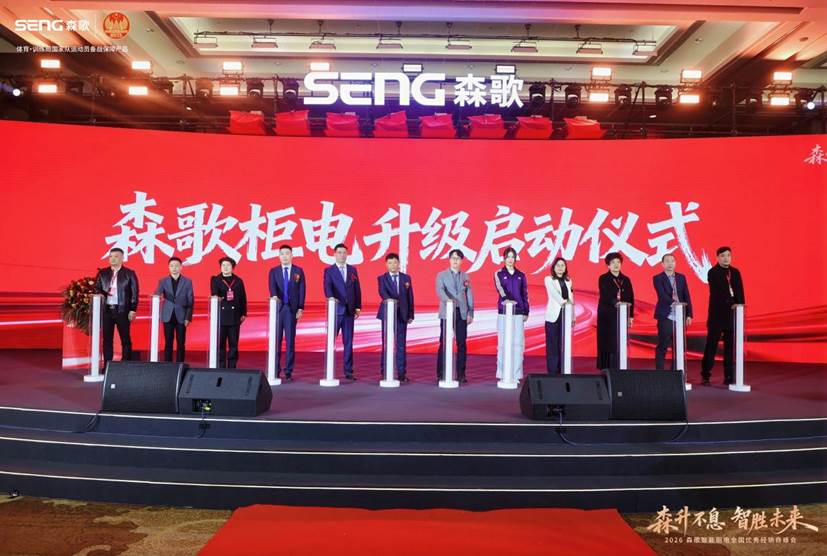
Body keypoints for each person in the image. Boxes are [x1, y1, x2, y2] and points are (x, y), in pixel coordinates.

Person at [701, 246, 745, 386]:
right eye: (723, 256)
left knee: (729, 347)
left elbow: (740, 291)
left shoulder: (735, 272)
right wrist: (732, 303)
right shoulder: (713, 272)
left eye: (728, 255)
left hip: (732, 315)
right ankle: (706, 375)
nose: (726, 258)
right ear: (717, 257)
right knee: (711, 345)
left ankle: (729, 376)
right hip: (717, 314)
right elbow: (718, 292)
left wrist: (740, 306)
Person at [323, 243, 362, 380]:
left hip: (349, 311)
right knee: (330, 341)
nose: (342, 255)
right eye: (339, 252)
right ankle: (328, 369)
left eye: (344, 252)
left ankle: (348, 371)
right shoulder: (329, 270)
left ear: (347, 254)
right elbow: (327, 287)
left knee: (348, 342)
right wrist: (330, 298)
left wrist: (357, 307)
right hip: (336, 310)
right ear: (334, 254)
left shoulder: (352, 270)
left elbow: (357, 289)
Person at [268, 245, 306, 382]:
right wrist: (274, 299)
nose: (284, 256)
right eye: (282, 254)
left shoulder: (298, 271)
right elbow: (272, 289)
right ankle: (275, 369)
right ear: (279, 256)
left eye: (287, 253)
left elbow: (302, 290)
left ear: (292, 255)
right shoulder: (274, 271)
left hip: (291, 310)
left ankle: (288, 371)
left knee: (290, 341)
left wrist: (300, 308)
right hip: (278, 310)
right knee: (276, 341)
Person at [435, 249, 474, 384]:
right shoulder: (441, 275)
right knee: (444, 342)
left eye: (458, 258)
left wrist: (470, 312)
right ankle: (441, 373)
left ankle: (461, 374)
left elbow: (469, 295)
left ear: (461, 261)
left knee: (461, 343)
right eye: (453, 258)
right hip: (447, 312)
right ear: (449, 260)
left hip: (461, 313)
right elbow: (440, 290)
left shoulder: (466, 276)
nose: (455, 260)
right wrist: (448, 300)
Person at [95, 247, 139, 363]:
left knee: (125, 339)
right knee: (107, 339)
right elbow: (97, 288)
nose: (113, 259)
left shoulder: (129, 273)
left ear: (122, 258)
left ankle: (126, 364)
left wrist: (133, 309)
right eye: (111, 256)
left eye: (116, 256)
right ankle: (107, 365)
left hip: (122, 310)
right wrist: (100, 294)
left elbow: (134, 293)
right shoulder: (102, 273)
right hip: (107, 310)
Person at [376, 253, 414, 382]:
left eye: (395, 262)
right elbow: (383, 293)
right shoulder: (382, 278)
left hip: (402, 315)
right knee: (386, 344)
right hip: (387, 314)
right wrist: (392, 302)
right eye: (390, 263)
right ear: (386, 265)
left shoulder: (406, 278)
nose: (393, 265)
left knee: (401, 344)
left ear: (399, 264)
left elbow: (410, 297)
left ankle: (402, 373)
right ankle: (385, 372)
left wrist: (410, 314)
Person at [652, 253, 693, 370]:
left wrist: (689, 314)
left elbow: (686, 295)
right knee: (663, 344)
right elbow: (662, 295)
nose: (670, 263)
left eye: (672, 261)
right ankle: (660, 372)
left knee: (679, 346)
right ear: (662, 264)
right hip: (666, 315)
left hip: (680, 315)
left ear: (675, 263)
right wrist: (674, 303)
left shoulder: (681, 277)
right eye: (667, 261)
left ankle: (675, 372)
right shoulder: (658, 278)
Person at [494, 247, 529, 382]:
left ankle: (516, 375)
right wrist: (507, 300)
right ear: (504, 258)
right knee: (503, 343)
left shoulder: (521, 275)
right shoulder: (499, 273)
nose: (510, 259)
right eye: (508, 257)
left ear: (515, 259)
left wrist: (526, 310)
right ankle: (503, 373)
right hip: (504, 312)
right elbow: (500, 289)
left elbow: (524, 293)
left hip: (518, 312)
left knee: (518, 344)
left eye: (512, 257)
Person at [596, 252, 635, 369]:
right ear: (608, 265)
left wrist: (630, 316)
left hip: (622, 315)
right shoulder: (603, 278)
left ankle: (620, 366)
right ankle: (606, 367)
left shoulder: (626, 279)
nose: (616, 265)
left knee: (620, 340)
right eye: (613, 262)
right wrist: (615, 302)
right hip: (607, 315)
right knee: (607, 341)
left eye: (618, 262)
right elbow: (605, 294)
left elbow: (631, 297)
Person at [210, 257, 247, 369]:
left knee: (233, 344)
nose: (225, 267)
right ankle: (221, 367)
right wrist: (217, 297)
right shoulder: (216, 279)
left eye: (228, 265)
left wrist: (243, 313)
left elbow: (243, 297)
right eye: (223, 265)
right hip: (220, 316)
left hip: (234, 316)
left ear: (232, 267)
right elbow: (214, 294)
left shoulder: (238, 280)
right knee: (220, 344)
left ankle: (232, 367)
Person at [154, 256, 193, 363]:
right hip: (167, 315)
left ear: (181, 267)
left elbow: (190, 301)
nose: (174, 268)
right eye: (171, 266)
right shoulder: (163, 281)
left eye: (176, 266)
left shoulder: (187, 281)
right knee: (168, 342)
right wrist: (156, 296)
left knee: (181, 343)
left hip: (182, 316)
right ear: (168, 267)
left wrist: (188, 317)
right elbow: (157, 294)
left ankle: (180, 364)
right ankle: (168, 365)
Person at [544, 256, 574, 374]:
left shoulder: (568, 281)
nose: (560, 267)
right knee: (552, 344)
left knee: (564, 343)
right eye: (558, 265)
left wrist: (572, 315)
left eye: (563, 265)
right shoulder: (549, 279)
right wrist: (564, 302)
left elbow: (572, 299)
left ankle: (563, 369)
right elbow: (554, 294)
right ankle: (552, 371)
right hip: (553, 316)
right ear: (554, 267)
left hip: (566, 314)